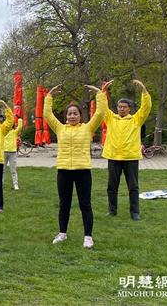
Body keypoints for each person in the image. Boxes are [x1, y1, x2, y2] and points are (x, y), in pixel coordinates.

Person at [43, 83, 108, 248]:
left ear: (80, 116)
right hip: (64, 171)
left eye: (75, 113)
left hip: (83, 171)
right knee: (64, 203)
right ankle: (62, 233)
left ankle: (88, 236)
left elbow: (100, 113)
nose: (72, 116)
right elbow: (47, 114)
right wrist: (49, 96)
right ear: (66, 116)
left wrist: (99, 94)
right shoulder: (59, 128)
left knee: (85, 204)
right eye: (70, 114)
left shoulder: (87, 128)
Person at [102, 79, 152, 220]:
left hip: (130, 158)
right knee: (112, 187)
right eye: (119, 107)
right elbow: (103, 107)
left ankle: (135, 212)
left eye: (124, 107)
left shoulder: (136, 120)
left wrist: (144, 90)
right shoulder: (111, 119)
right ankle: (112, 210)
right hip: (113, 157)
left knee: (133, 187)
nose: (121, 109)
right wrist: (103, 92)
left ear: (129, 108)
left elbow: (146, 108)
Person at [3, 117, 23, 190]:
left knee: (13, 170)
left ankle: (15, 185)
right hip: (4, 152)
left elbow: (20, 127)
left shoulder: (14, 132)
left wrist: (19, 119)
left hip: (12, 153)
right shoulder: (3, 132)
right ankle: (0, 184)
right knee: (2, 170)